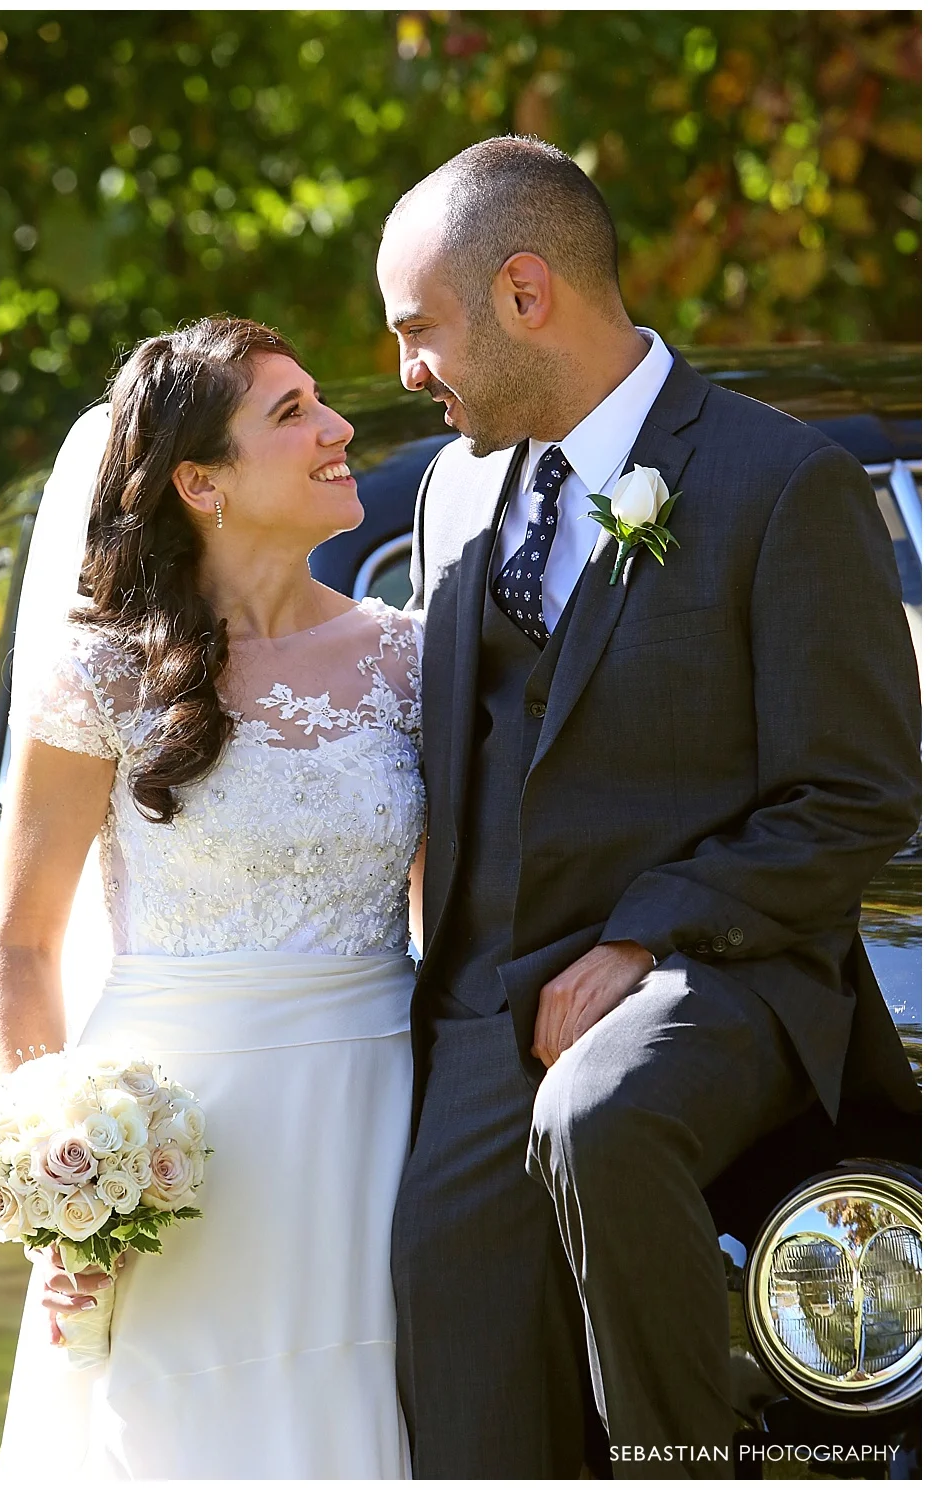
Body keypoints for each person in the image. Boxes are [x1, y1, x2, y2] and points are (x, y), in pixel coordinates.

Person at [376, 136, 921, 1479]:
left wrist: (646, 937)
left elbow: (856, 793)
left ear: (524, 292)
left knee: (601, 1113)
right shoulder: (449, 493)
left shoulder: (777, 483)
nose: (407, 372)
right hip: (475, 1018)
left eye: (418, 331)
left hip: (712, 984)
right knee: (470, 1411)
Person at [0, 317, 425, 1479]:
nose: (339, 430)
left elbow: (453, 912)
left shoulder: (413, 659)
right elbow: (27, 945)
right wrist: (59, 1174)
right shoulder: (102, 674)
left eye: (320, 402)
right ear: (199, 481)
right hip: (174, 1155)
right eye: (291, 415)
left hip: (378, 1122)